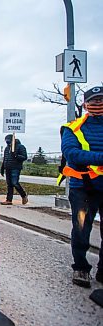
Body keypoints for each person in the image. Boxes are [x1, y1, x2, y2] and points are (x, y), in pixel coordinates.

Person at [60, 86, 103, 288]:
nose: (98, 104)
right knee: (81, 228)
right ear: (86, 104)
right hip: (82, 187)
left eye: (101, 100)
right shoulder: (73, 128)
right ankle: (81, 267)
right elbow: (72, 154)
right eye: (94, 101)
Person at [0, 134, 28, 205]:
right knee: (9, 184)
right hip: (8, 168)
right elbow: (5, 159)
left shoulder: (20, 147)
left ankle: (23, 195)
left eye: (8, 140)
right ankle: (9, 200)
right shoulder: (7, 148)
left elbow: (24, 157)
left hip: (15, 167)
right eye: (6, 141)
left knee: (14, 183)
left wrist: (15, 155)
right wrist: (2, 168)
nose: (7, 142)